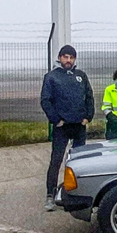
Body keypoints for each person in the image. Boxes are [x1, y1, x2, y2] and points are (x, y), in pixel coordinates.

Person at [40, 44, 94, 212]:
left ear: (74, 59)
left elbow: (89, 97)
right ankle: (50, 194)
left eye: (71, 57)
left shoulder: (81, 76)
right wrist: (56, 120)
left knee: (79, 162)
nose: (68, 60)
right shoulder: (51, 77)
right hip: (62, 127)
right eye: (65, 57)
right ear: (60, 58)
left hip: (79, 126)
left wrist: (88, 116)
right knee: (56, 161)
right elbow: (45, 100)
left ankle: (79, 193)